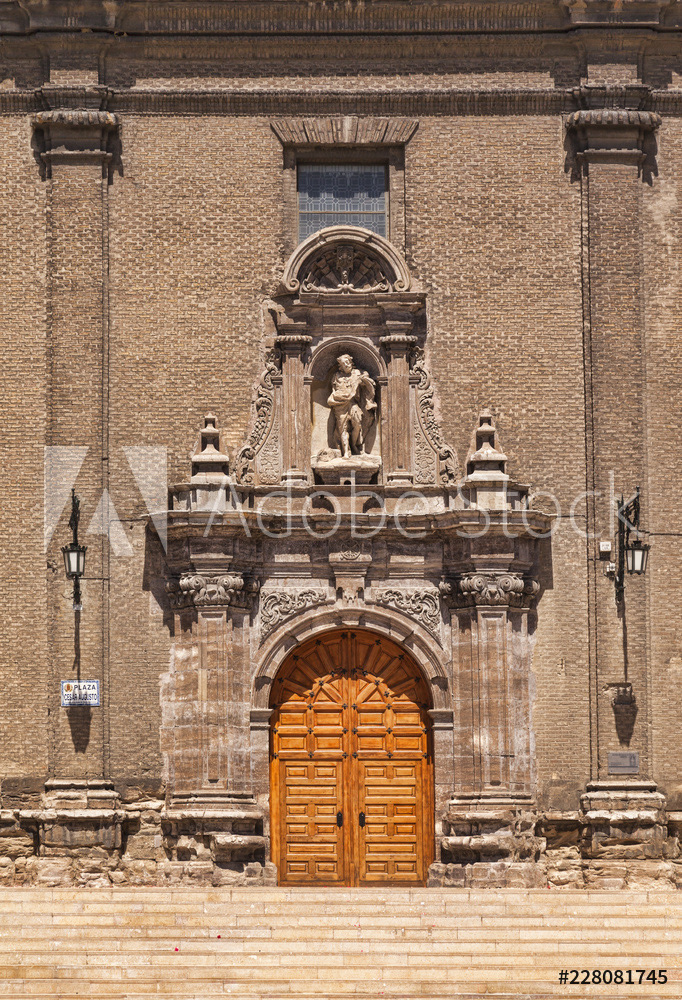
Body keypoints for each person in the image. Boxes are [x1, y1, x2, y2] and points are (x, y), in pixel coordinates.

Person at [327, 354, 377, 459]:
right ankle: (346, 452)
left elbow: (368, 383)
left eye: (348, 362)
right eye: (344, 363)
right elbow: (334, 391)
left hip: (353, 403)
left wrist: (365, 380)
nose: (347, 364)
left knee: (358, 423)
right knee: (343, 428)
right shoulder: (337, 376)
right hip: (340, 405)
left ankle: (354, 445)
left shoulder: (357, 374)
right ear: (340, 366)